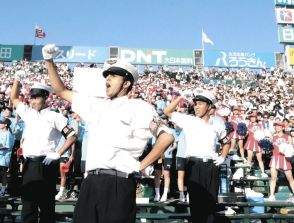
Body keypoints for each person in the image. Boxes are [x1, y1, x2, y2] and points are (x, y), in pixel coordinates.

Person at [42, 44, 174, 223]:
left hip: (118, 183)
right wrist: (49, 61)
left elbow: (166, 136)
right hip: (90, 182)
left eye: (113, 76)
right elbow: (61, 91)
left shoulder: (140, 107)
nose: (107, 80)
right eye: (106, 76)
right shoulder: (97, 105)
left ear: (126, 83)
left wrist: (141, 165)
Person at [10, 73, 77, 223]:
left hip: (46, 163)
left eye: (35, 97)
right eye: (31, 97)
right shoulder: (28, 113)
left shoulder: (55, 117)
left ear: (46, 97)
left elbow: (72, 135)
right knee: (28, 206)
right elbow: (14, 98)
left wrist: (58, 153)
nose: (31, 101)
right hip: (29, 164)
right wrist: (17, 79)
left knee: (46, 206)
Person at [164, 88, 230, 223]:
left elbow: (226, 142)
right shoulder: (189, 120)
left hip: (212, 166)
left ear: (209, 106)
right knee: (196, 205)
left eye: (200, 103)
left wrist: (222, 157)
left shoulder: (218, 123)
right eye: (195, 103)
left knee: (211, 204)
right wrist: (181, 96)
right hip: (193, 166)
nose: (196, 107)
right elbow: (167, 111)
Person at [265, 121, 294, 201]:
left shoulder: (288, 137)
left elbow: (291, 149)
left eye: (279, 126)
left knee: (290, 178)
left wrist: (286, 149)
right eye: (276, 126)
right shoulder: (272, 136)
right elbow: (270, 148)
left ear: (283, 127)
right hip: (275, 158)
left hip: (285, 159)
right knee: (273, 178)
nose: (277, 127)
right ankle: (271, 196)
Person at [0, 117, 14, 197]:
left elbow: (7, 146)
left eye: (1, 123)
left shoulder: (8, 134)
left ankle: (3, 190)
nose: (0, 124)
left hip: (4, 158)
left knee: (3, 174)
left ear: (5, 125)